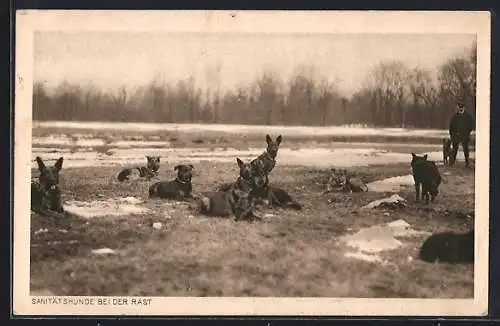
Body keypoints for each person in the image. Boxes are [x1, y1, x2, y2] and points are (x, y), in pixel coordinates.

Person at [448, 101, 475, 167]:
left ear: (464, 108)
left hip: (465, 135)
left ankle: (467, 162)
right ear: (457, 108)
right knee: (454, 149)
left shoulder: (468, 116)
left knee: (466, 149)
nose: (460, 109)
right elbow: (451, 127)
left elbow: (472, 125)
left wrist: (467, 132)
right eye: (459, 107)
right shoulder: (455, 117)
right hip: (456, 136)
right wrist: (452, 135)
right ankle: (452, 162)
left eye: (462, 107)